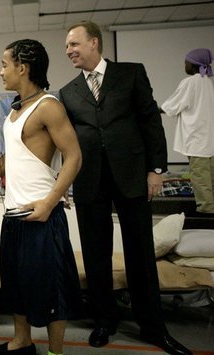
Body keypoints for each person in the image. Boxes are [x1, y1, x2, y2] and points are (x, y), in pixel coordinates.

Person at [59, 21, 191, 355]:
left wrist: (156, 169)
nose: (69, 51)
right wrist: (63, 181)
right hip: (90, 180)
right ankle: (105, 320)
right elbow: (67, 143)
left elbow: (150, 120)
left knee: (140, 254)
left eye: (74, 44)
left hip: (132, 175)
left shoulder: (131, 73)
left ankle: (153, 327)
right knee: (96, 254)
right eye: (66, 47)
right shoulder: (68, 91)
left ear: (94, 43)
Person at [0, 39, 83, 355]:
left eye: (4, 64)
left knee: (51, 291)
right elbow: (7, 160)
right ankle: (21, 343)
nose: (0, 71)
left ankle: (55, 352)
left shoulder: (49, 106)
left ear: (23, 67)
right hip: (14, 214)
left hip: (43, 215)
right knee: (16, 285)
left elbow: (74, 157)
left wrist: (49, 203)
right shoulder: (16, 112)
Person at [161, 48, 214, 215]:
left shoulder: (191, 82)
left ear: (194, 64)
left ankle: (207, 212)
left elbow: (172, 106)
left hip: (197, 140)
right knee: (209, 178)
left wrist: (156, 109)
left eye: (186, 62)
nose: (184, 65)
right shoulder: (207, 82)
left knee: (201, 179)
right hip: (207, 139)